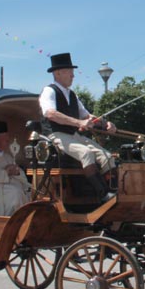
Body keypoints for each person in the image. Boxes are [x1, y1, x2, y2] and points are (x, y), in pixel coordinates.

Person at [39, 52, 117, 202]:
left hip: (74, 136)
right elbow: (50, 114)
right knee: (86, 153)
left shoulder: (72, 95)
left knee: (106, 156)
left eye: (72, 72)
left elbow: (87, 116)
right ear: (58, 73)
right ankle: (102, 194)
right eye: (69, 72)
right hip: (56, 135)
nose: (73, 76)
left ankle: (114, 191)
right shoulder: (49, 91)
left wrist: (105, 123)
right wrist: (78, 123)